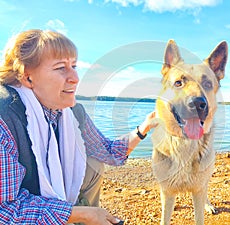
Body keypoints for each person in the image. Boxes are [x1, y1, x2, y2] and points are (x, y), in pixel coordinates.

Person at [0, 29, 156, 225]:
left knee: (93, 163)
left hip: (57, 203)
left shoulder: (72, 112)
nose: (75, 77)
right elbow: (4, 210)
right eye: (60, 68)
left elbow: (108, 151)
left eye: (73, 66)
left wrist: (144, 127)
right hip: (19, 212)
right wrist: (77, 214)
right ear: (27, 76)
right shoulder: (4, 116)